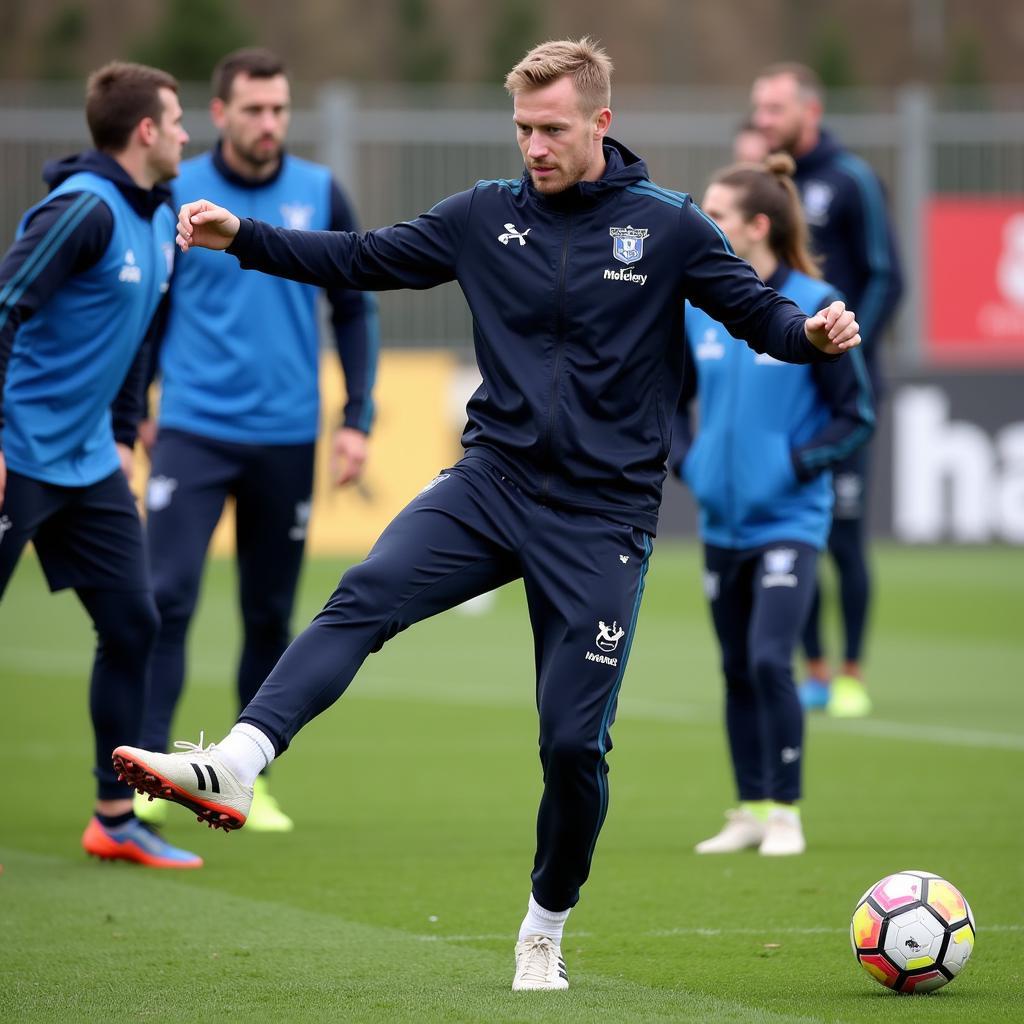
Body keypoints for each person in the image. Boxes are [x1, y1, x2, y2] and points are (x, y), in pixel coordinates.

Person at [113, 38, 861, 989]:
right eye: (521, 129)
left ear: (601, 123)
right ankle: (240, 758)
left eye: (551, 130)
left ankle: (545, 922)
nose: (534, 147)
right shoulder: (481, 216)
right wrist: (244, 239)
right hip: (491, 483)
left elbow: (760, 316)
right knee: (366, 592)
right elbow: (362, 258)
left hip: (602, 519)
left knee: (571, 744)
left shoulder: (669, 228)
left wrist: (813, 333)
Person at [136, 48, 379, 833]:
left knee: (270, 615)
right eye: (255, 110)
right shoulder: (177, 191)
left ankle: (246, 774)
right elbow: (147, 300)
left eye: (279, 109)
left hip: (284, 436)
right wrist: (134, 397)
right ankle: (142, 778)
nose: (270, 123)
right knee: (164, 599)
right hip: (192, 430)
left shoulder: (319, 190)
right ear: (221, 113)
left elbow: (353, 308)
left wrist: (358, 417)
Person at [0, 62, 202, 869]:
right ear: (145, 131)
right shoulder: (82, 209)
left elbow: (139, 343)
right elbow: (4, 310)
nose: (189, 133)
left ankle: (113, 818)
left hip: (87, 464)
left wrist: (122, 432)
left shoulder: (159, 220)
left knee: (134, 624)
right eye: (178, 119)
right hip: (19, 454)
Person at [671, 154, 874, 857]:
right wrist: (685, 457)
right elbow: (670, 400)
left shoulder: (817, 303)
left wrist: (791, 464)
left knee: (767, 659)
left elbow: (856, 416)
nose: (704, 224)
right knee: (733, 667)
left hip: (789, 519)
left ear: (756, 227)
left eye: (717, 214)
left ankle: (786, 811)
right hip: (722, 522)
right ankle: (750, 808)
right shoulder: (702, 303)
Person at [751, 62, 903, 718]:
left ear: (809, 112)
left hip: (839, 390)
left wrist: (846, 348)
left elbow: (885, 276)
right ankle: (811, 669)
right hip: (782, 387)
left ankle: (851, 672)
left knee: (843, 535)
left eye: (773, 109)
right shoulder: (767, 187)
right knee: (790, 531)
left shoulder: (851, 181)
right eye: (757, 110)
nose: (762, 122)